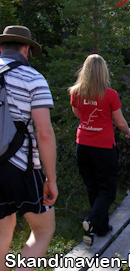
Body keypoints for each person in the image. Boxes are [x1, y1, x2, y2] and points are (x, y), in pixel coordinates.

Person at [0, 26, 57, 271]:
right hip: (20, 168)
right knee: (44, 229)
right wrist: (50, 179)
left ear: (1, 47)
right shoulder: (33, 78)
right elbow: (44, 133)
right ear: (27, 50)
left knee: (3, 228)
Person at [69, 54, 130, 246]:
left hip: (83, 146)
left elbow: (79, 115)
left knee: (93, 187)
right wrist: (128, 131)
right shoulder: (110, 94)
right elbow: (119, 122)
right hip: (103, 148)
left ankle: (100, 227)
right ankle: (91, 221)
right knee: (108, 190)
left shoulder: (76, 92)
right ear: (103, 71)